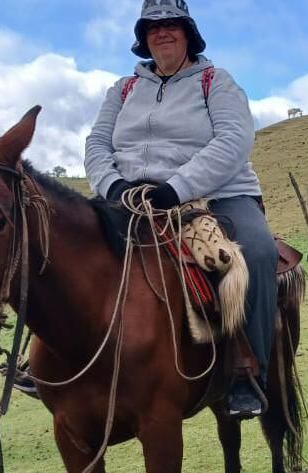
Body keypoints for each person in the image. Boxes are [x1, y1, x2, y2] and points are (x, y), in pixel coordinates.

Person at [85, 0, 278, 418]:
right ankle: (58, 360)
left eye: (172, 24)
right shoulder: (122, 89)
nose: (163, 32)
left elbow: (233, 141)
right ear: (143, 38)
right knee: (61, 242)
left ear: (188, 32)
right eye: (153, 27)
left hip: (216, 193)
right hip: (129, 198)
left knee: (258, 251)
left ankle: (250, 374)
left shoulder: (216, 81)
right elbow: (97, 144)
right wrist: (114, 186)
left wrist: (176, 189)